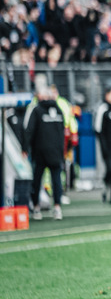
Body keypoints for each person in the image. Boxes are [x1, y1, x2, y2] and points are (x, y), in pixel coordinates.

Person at [23, 87, 66, 220]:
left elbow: (29, 130)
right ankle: (57, 207)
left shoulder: (36, 110)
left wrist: (25, 148)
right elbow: (62, 132)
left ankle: (36, 208)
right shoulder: (59, 109)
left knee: (37, 181)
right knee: (56, 181)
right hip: (56, 152)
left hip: (40, 152)